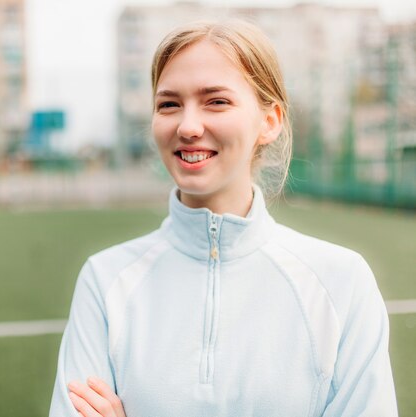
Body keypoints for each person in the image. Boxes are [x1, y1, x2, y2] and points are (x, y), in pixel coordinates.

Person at [49, 19, 398, 417]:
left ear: (269, 121)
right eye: (169, 104)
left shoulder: (342, 282)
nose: (188, 126)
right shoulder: (105, 280)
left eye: (216, 101)